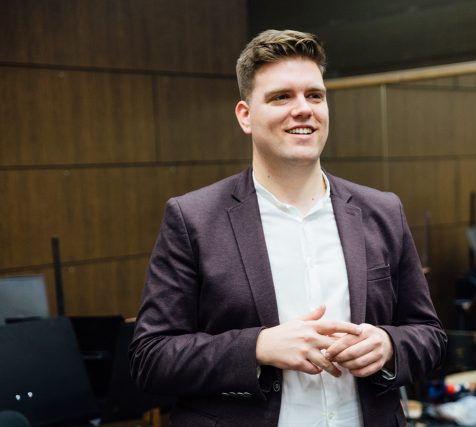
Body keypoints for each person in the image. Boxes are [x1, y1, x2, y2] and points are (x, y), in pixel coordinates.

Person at [129, 29, 447, 427]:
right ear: (245, 116)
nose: (303, 109)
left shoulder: (382, 211)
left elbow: (430, 335)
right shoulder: (192, 218)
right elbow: (150, 357)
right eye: (281, 97)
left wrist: (389, 345)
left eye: (314, 95)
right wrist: (258, 346)